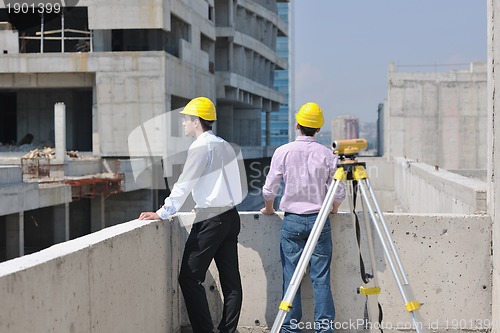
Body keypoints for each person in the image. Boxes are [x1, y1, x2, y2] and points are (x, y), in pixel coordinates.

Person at [139, 96, 244, 333]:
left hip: (210, 219)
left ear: (197, 121)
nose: (184, 123)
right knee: (232, 283)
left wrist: (163, 212)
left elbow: (184, 184)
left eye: (186, 119)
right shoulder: (225, 145)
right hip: (230, 216)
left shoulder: (200, 147)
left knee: (188, 278)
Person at [260, 102, 346, 333]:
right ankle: (324, 328)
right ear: (318, 129)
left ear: (297, 125)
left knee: (291, 278)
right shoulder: (328, 154)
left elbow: (269, 190)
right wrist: (334, 209)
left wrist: (269, 209)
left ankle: (289, 328)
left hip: (292, 221)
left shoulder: (283, 151)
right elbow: (339, 192)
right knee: (321, 279)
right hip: (320, 220)